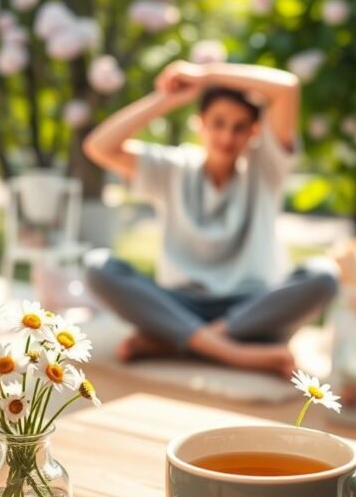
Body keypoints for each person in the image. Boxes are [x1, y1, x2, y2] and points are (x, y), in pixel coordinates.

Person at [82, 60, 338, 377]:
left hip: (250, 308)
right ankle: (233, 351)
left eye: (240, 126)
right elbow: (97, 147)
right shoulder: (172, 168)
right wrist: (168, 98)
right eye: (218, 123)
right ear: (200, 123)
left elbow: (287, 87)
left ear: (254, 131)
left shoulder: (266, 168)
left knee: (324, 275)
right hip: (181, 303)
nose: (227, 136)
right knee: (98, 267)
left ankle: (177, 340)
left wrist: (204, 75)